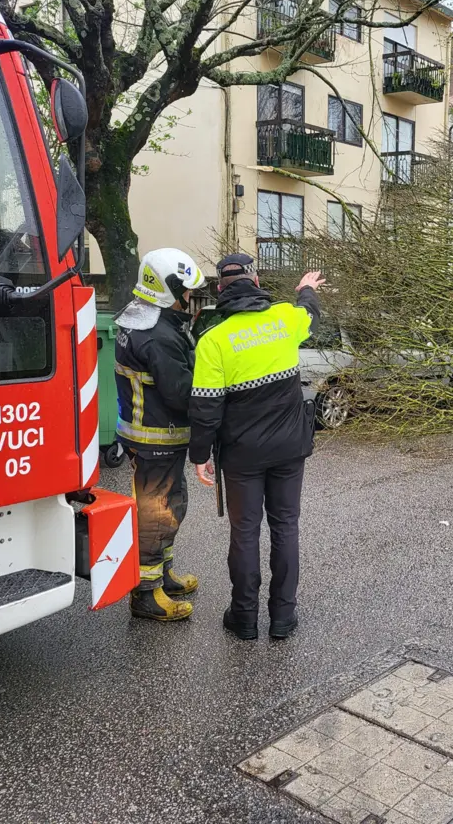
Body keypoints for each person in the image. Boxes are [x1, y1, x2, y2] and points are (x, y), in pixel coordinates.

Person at [188, 253, 323, 640]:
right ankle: (283, 618)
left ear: (220, 290)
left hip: (242, 455)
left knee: (244, 532)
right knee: (286, 527)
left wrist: (199, 456)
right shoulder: (285, 319)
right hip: (289, 449)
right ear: (257, 282)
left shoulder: (213, 341)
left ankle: (244, 617)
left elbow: (206, 407)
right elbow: (309, 311)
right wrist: (306, 287)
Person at [113, 248, 206, 621]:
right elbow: (181, 393)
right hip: (156, 439)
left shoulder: (136, 319)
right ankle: (145, 594)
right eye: (185, 291)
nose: (189, 298)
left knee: (171, 506)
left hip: (148, 436)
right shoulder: (158, 336)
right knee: (156, 514)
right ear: (167, 289)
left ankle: (162, 576)